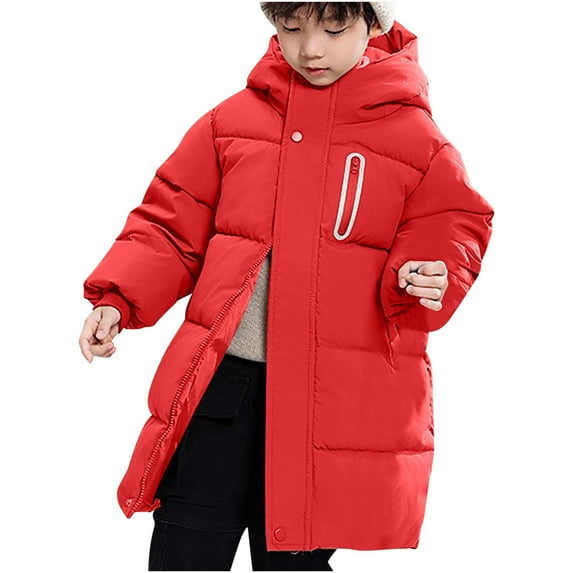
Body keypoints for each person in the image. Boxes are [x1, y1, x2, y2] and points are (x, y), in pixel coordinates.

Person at [79, 2, 494, 571]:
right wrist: (118, 297)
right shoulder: (232, 121)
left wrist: (429, 271)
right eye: (291, 27)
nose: (311, 49)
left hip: (330, 399)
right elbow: (171, 222)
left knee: (293, 556)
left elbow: (453, 223)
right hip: (224, 384)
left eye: (333, 28)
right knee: (186, 543)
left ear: (373, 23)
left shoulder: (416, 140)